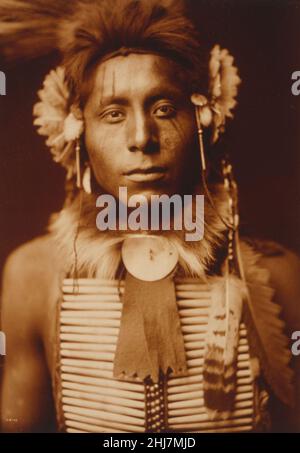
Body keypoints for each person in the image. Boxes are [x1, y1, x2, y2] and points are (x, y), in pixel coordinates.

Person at [0, 0, 300, 433]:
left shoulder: (281, 276)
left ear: (204, 121)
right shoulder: (32, 276)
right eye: (114, 114)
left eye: (163, 109)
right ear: (77, 133)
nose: (142, 138)